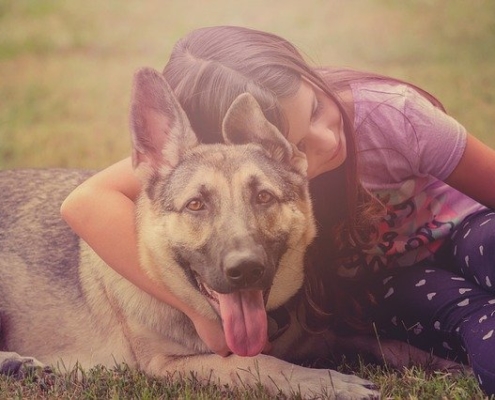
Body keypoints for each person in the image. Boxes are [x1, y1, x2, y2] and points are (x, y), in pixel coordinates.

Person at [60, 26, 495, 395]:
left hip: (470, 229)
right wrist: (195, 310)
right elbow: (84, 200)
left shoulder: (391, 115)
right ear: (231, 139)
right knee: (478, 331)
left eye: (319, 109)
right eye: (299, 143)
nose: (325, 141)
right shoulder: (197, 163)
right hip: (401, 278)